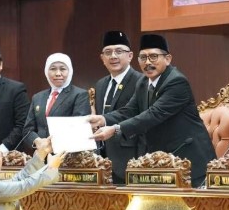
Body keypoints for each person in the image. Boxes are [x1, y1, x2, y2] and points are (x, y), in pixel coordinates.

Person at [89, 33, 216, 187]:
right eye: (143, 58)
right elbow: (129, 110)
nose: (148, 62)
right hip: (163, 160)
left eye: (153, 57)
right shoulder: (143, 82)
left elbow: (153, 115)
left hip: (188, 158)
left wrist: (116, 129)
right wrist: (103, 119)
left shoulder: (177, 82)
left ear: (168, 59)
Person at [92, 31, 145, 183]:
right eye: (108, 52)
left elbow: (143, 123)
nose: (113, 56)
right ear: (102, 58)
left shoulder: (141, 82)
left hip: (131, 159)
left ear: (130, 55)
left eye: (119, 51)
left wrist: (140, 162)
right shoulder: (101, 84)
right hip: (102, 160)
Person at [21, 53, 91, 150]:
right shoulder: (37, 97)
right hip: (40, 154)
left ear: (70, 71)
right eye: (53, 69)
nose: (58, 73)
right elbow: (28, 129)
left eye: (62, 69)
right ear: (46, 71)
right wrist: (37, 141)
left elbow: (77, 128)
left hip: (66, 156)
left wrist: (51, 143)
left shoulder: (80, 95)